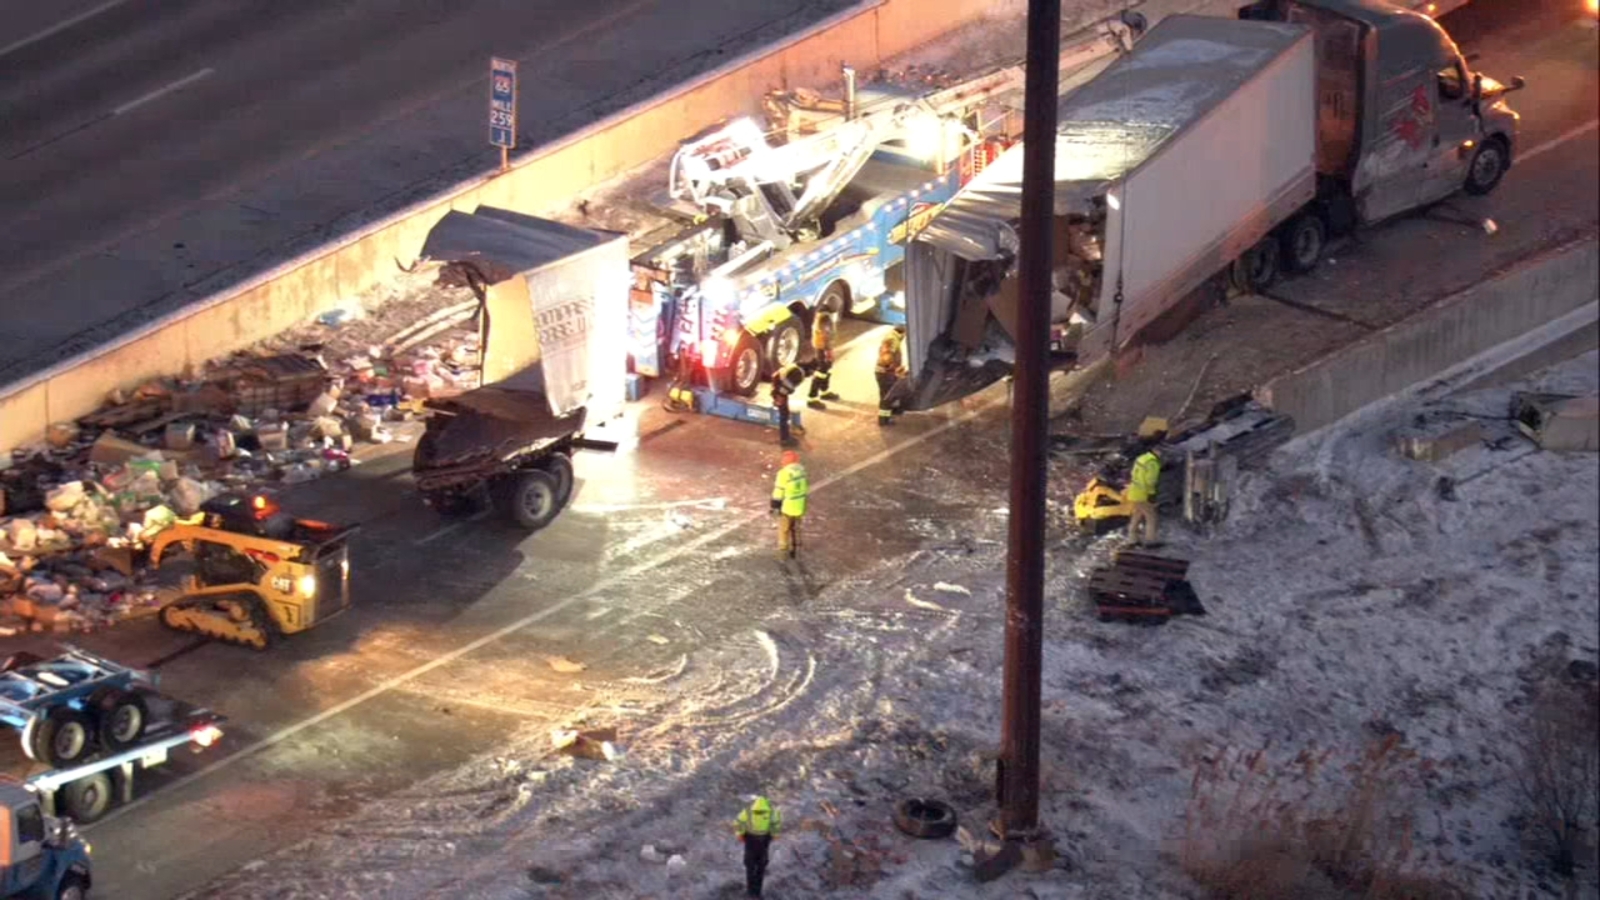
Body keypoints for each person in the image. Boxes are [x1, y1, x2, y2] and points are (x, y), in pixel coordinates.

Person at [734, 795, 783, 897]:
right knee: (761, 864)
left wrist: (740, 834)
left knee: (749, 864)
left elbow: (738, 822)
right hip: (764, 840)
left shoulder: (748, 811)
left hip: (750, 840)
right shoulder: (772, 811)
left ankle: (750, 891)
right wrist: (775, 835)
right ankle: (758, 892)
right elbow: (776, 824)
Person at [770, 450, 808, 560]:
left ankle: (782, 552)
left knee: (784, 529)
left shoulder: (783, 473)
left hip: (787, 507)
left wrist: (775, 506)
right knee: (796, 528)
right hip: (800, 505)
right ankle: (796, 547)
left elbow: (778, 492)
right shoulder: (802, 472)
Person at [1126, 444, 1162, 545]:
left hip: (1133, 492)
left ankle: (1132, 538)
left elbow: (1133, 473)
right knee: (1151, 516)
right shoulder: (1153, 462)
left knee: (1137, 514)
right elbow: (1151, 481)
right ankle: (1150, 540)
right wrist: (1152, 494)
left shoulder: (1141, 458)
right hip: (1143, 494)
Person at [875, 326, 907, 427]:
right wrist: (893, 369)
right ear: (902, 333)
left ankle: (888, 414)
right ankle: (884, 420)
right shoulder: (892, 339)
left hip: (885, 372)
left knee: (888, 395)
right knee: (887, 397)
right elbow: (887, 357)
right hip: (886, 373)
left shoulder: (892, 337)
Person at [807, 311, 841, 409]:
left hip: (823, 349)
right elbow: (825, 336)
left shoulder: (822, 319)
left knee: (826, 371)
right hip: (823, 349)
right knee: (821, 372)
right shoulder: (824, 320)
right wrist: (828, 351)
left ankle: (824, 391)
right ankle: (812, 398)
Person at [770, 362, 808, 446]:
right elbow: (786, 388)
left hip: (778, 386)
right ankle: (785, 439)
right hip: (780, 390)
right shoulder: (797, 375)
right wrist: (779, 398)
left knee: (784, 413)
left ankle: (786, 436)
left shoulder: (795, 369)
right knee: (784, 415)